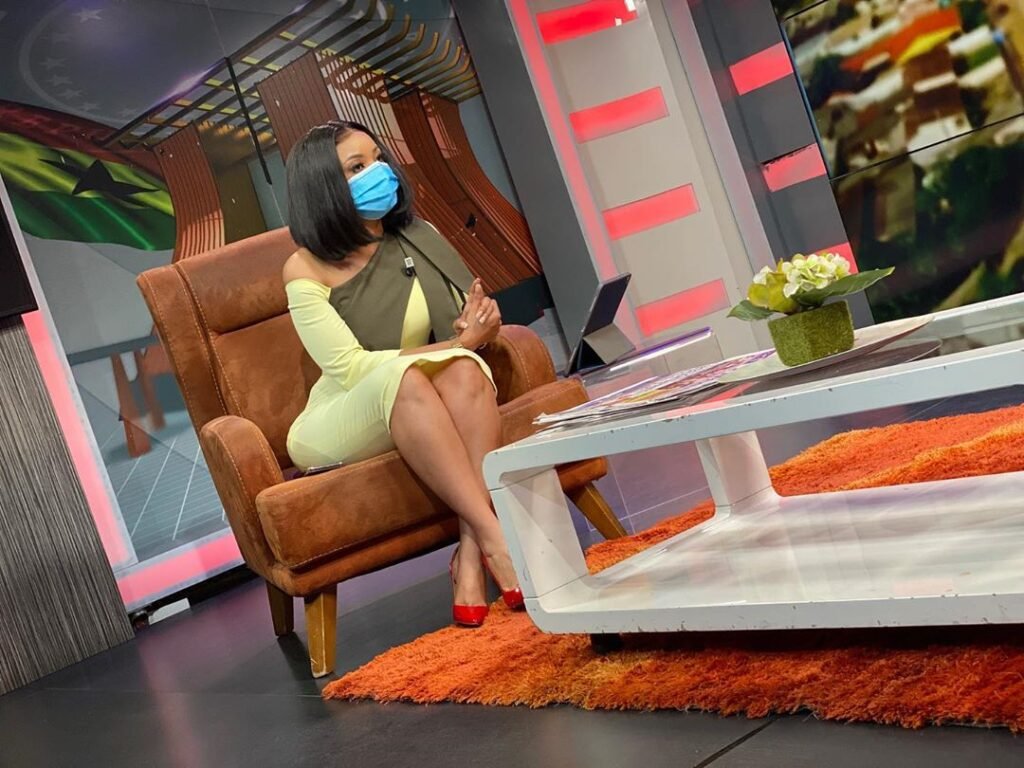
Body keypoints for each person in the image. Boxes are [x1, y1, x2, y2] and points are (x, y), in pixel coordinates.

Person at [282, 121, 522, 628]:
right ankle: (497, 538)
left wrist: (480, 325)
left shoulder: (420, 236)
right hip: (340, 412)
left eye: (377, 158)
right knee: (415, 374)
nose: (378, 172)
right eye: (357, 167)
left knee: (465, 370)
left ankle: (471, 557)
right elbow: (349, 368)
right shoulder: (305, 267)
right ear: (324, 187)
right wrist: (457, 344)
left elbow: (465, 327)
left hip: (417, 398)